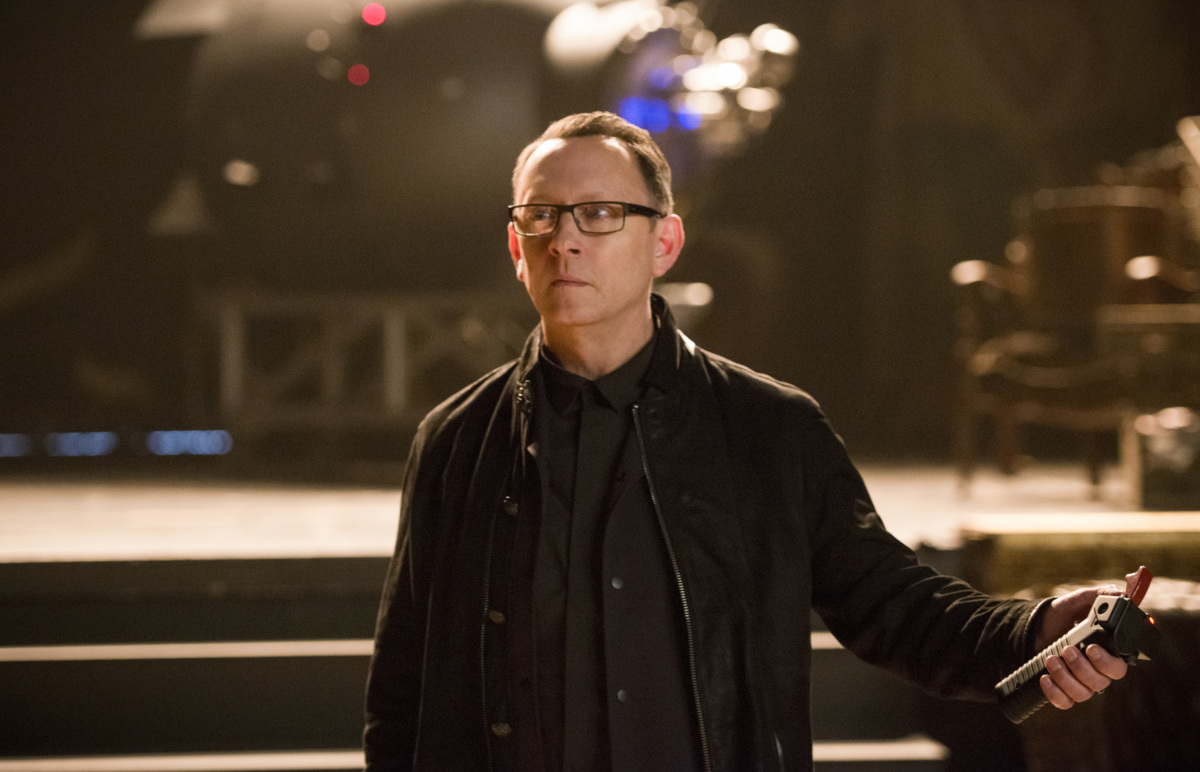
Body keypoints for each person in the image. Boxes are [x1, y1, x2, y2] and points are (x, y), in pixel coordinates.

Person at [364, 111, 1134, 771]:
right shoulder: (456, 442)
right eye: (542, 215)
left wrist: (1032, 630)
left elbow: (893, 604)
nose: (565, 240)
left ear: (665, 243)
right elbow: (401, 694)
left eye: (599, 213)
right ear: (515, 247)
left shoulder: (770, 428)